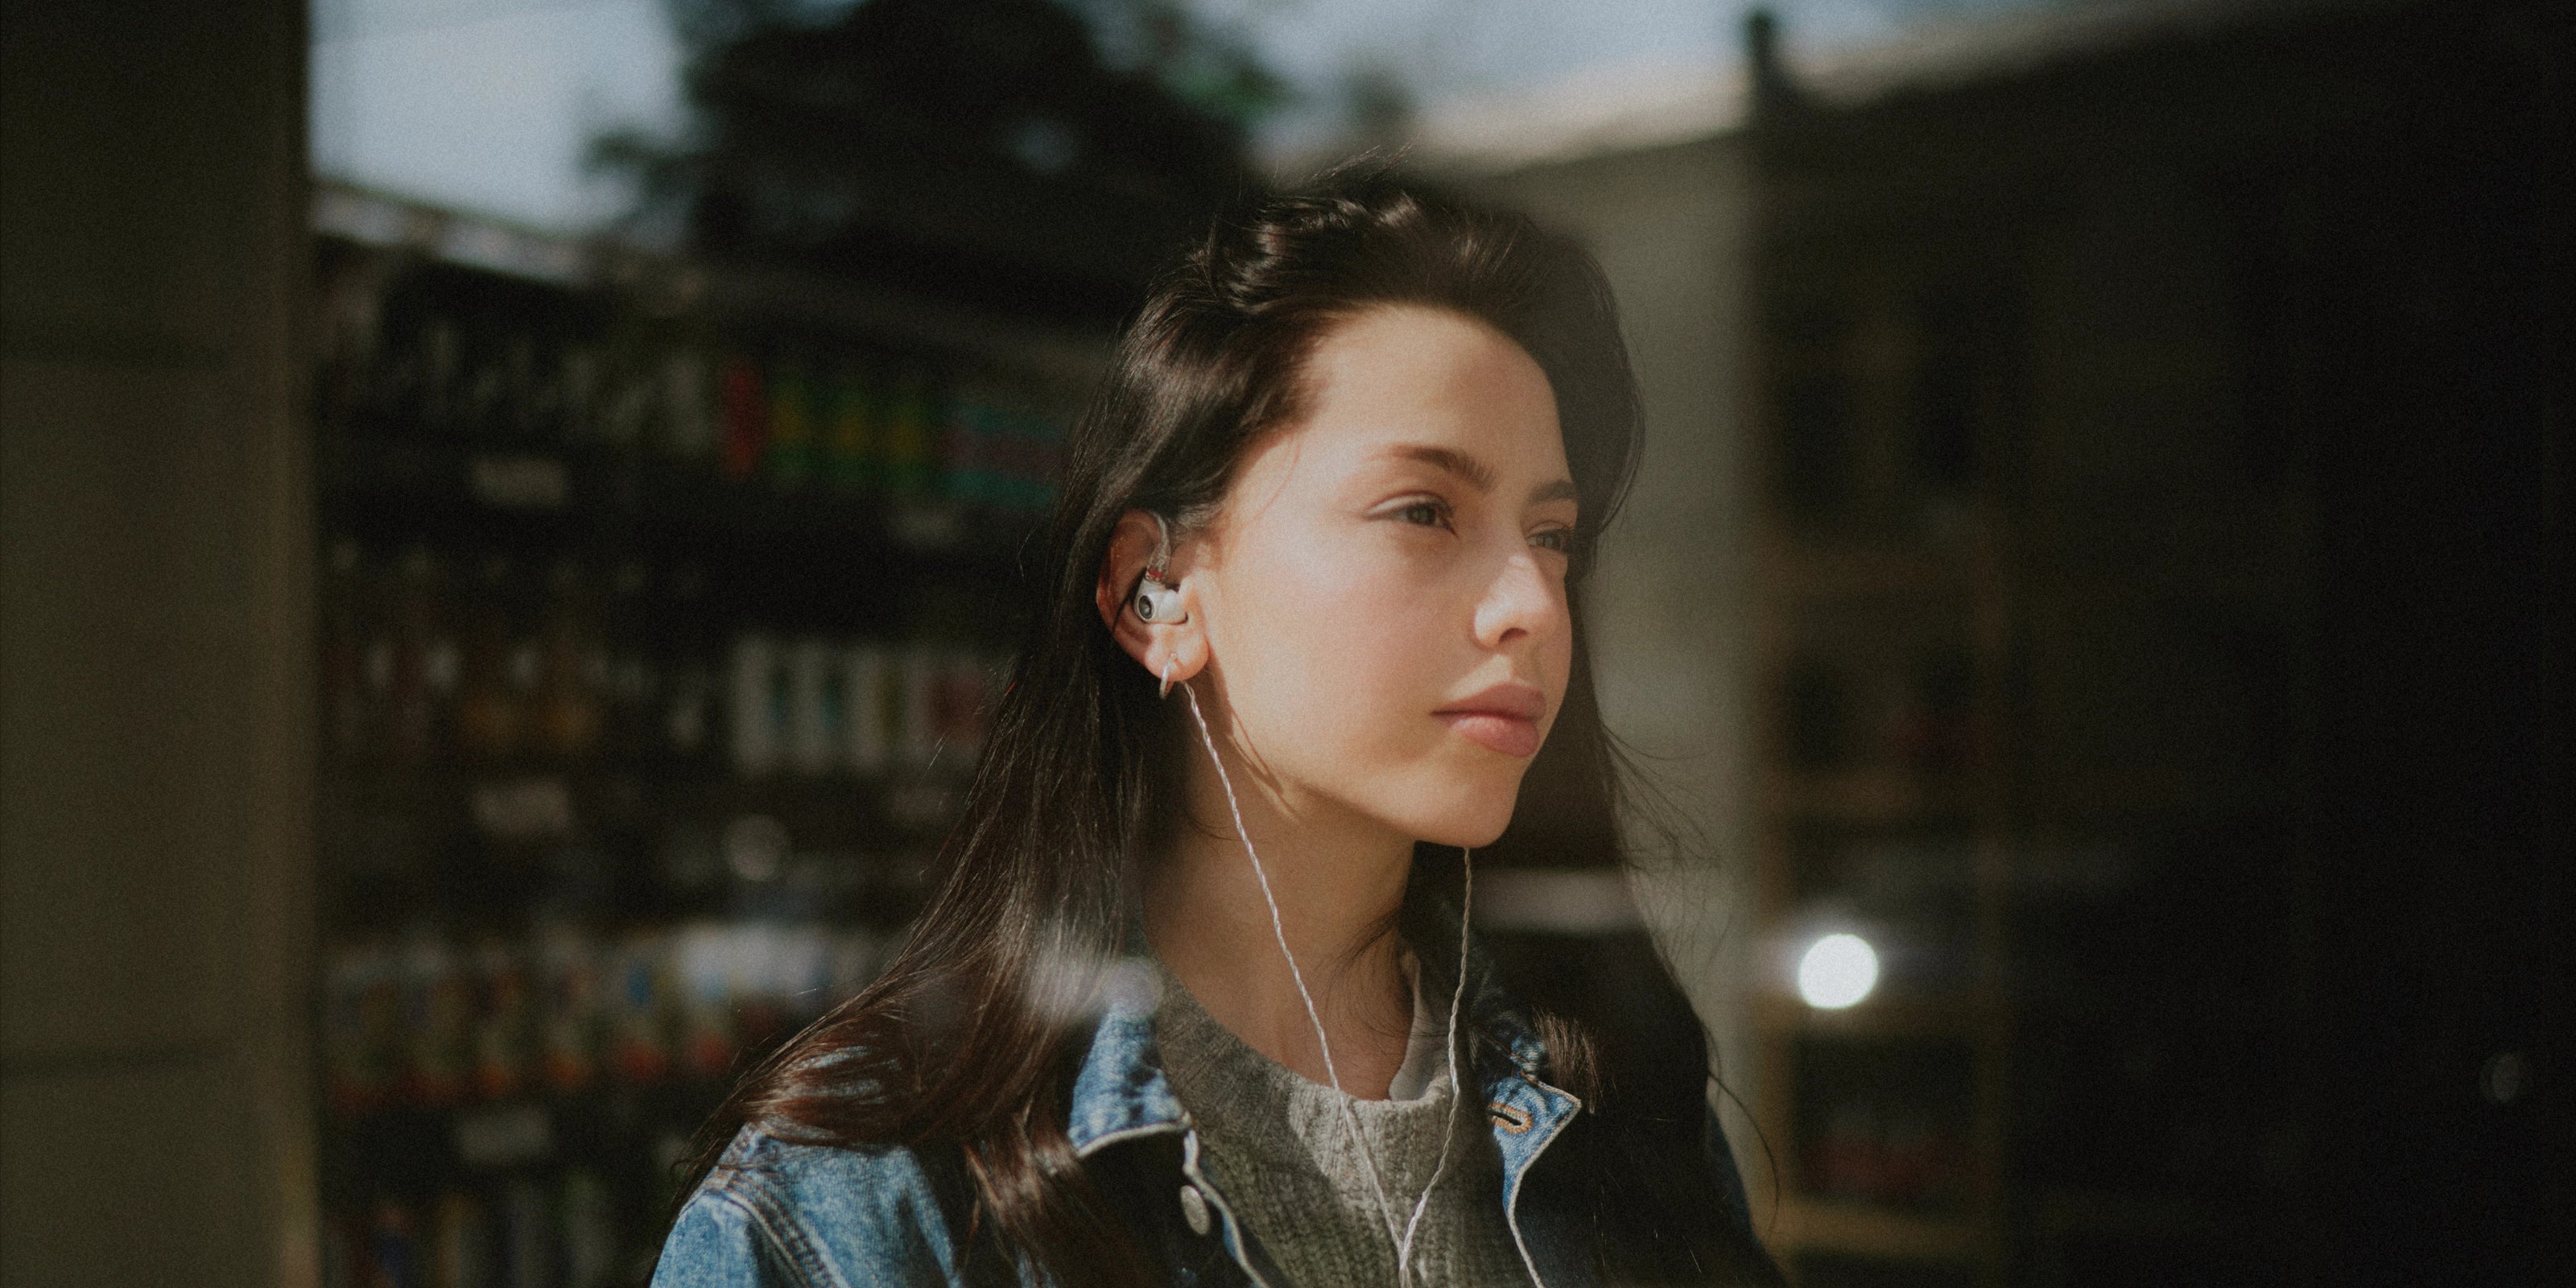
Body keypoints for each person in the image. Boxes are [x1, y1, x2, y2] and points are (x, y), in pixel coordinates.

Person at [652, 175, 1784, 1287]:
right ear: (1159, 594)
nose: (1532, 605)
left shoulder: (1623, 1109)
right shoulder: (869, 1205)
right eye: (1424, 511)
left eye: (1551, 534)